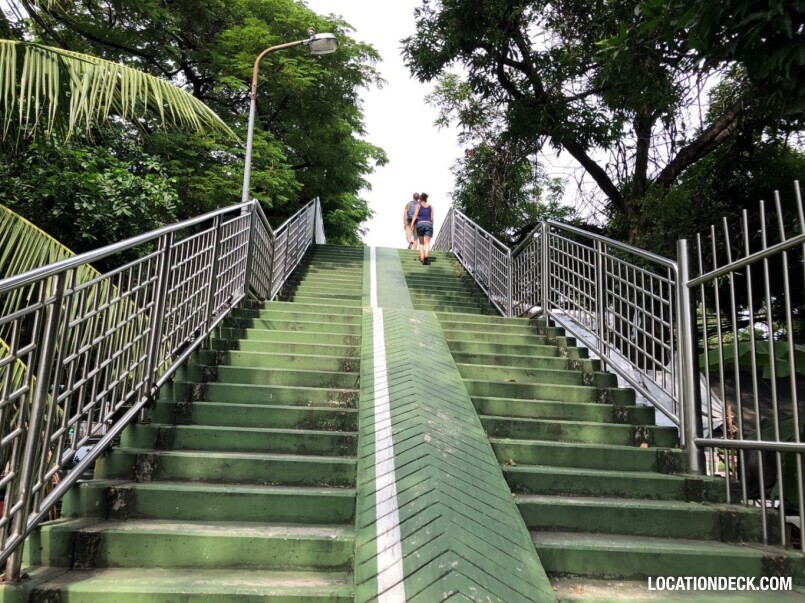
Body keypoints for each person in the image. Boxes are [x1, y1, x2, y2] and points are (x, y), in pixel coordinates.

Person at [412, 192, 434, 264]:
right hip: (429, 224)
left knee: (421, 243)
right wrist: (431, 226)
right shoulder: (431, 207)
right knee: (427, 243)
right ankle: (426, 255)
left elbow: (415, 215)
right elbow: (432, 218)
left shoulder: (418, 206)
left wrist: (412, 224)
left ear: (421, 199)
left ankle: (422, 257)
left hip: (420, 224)